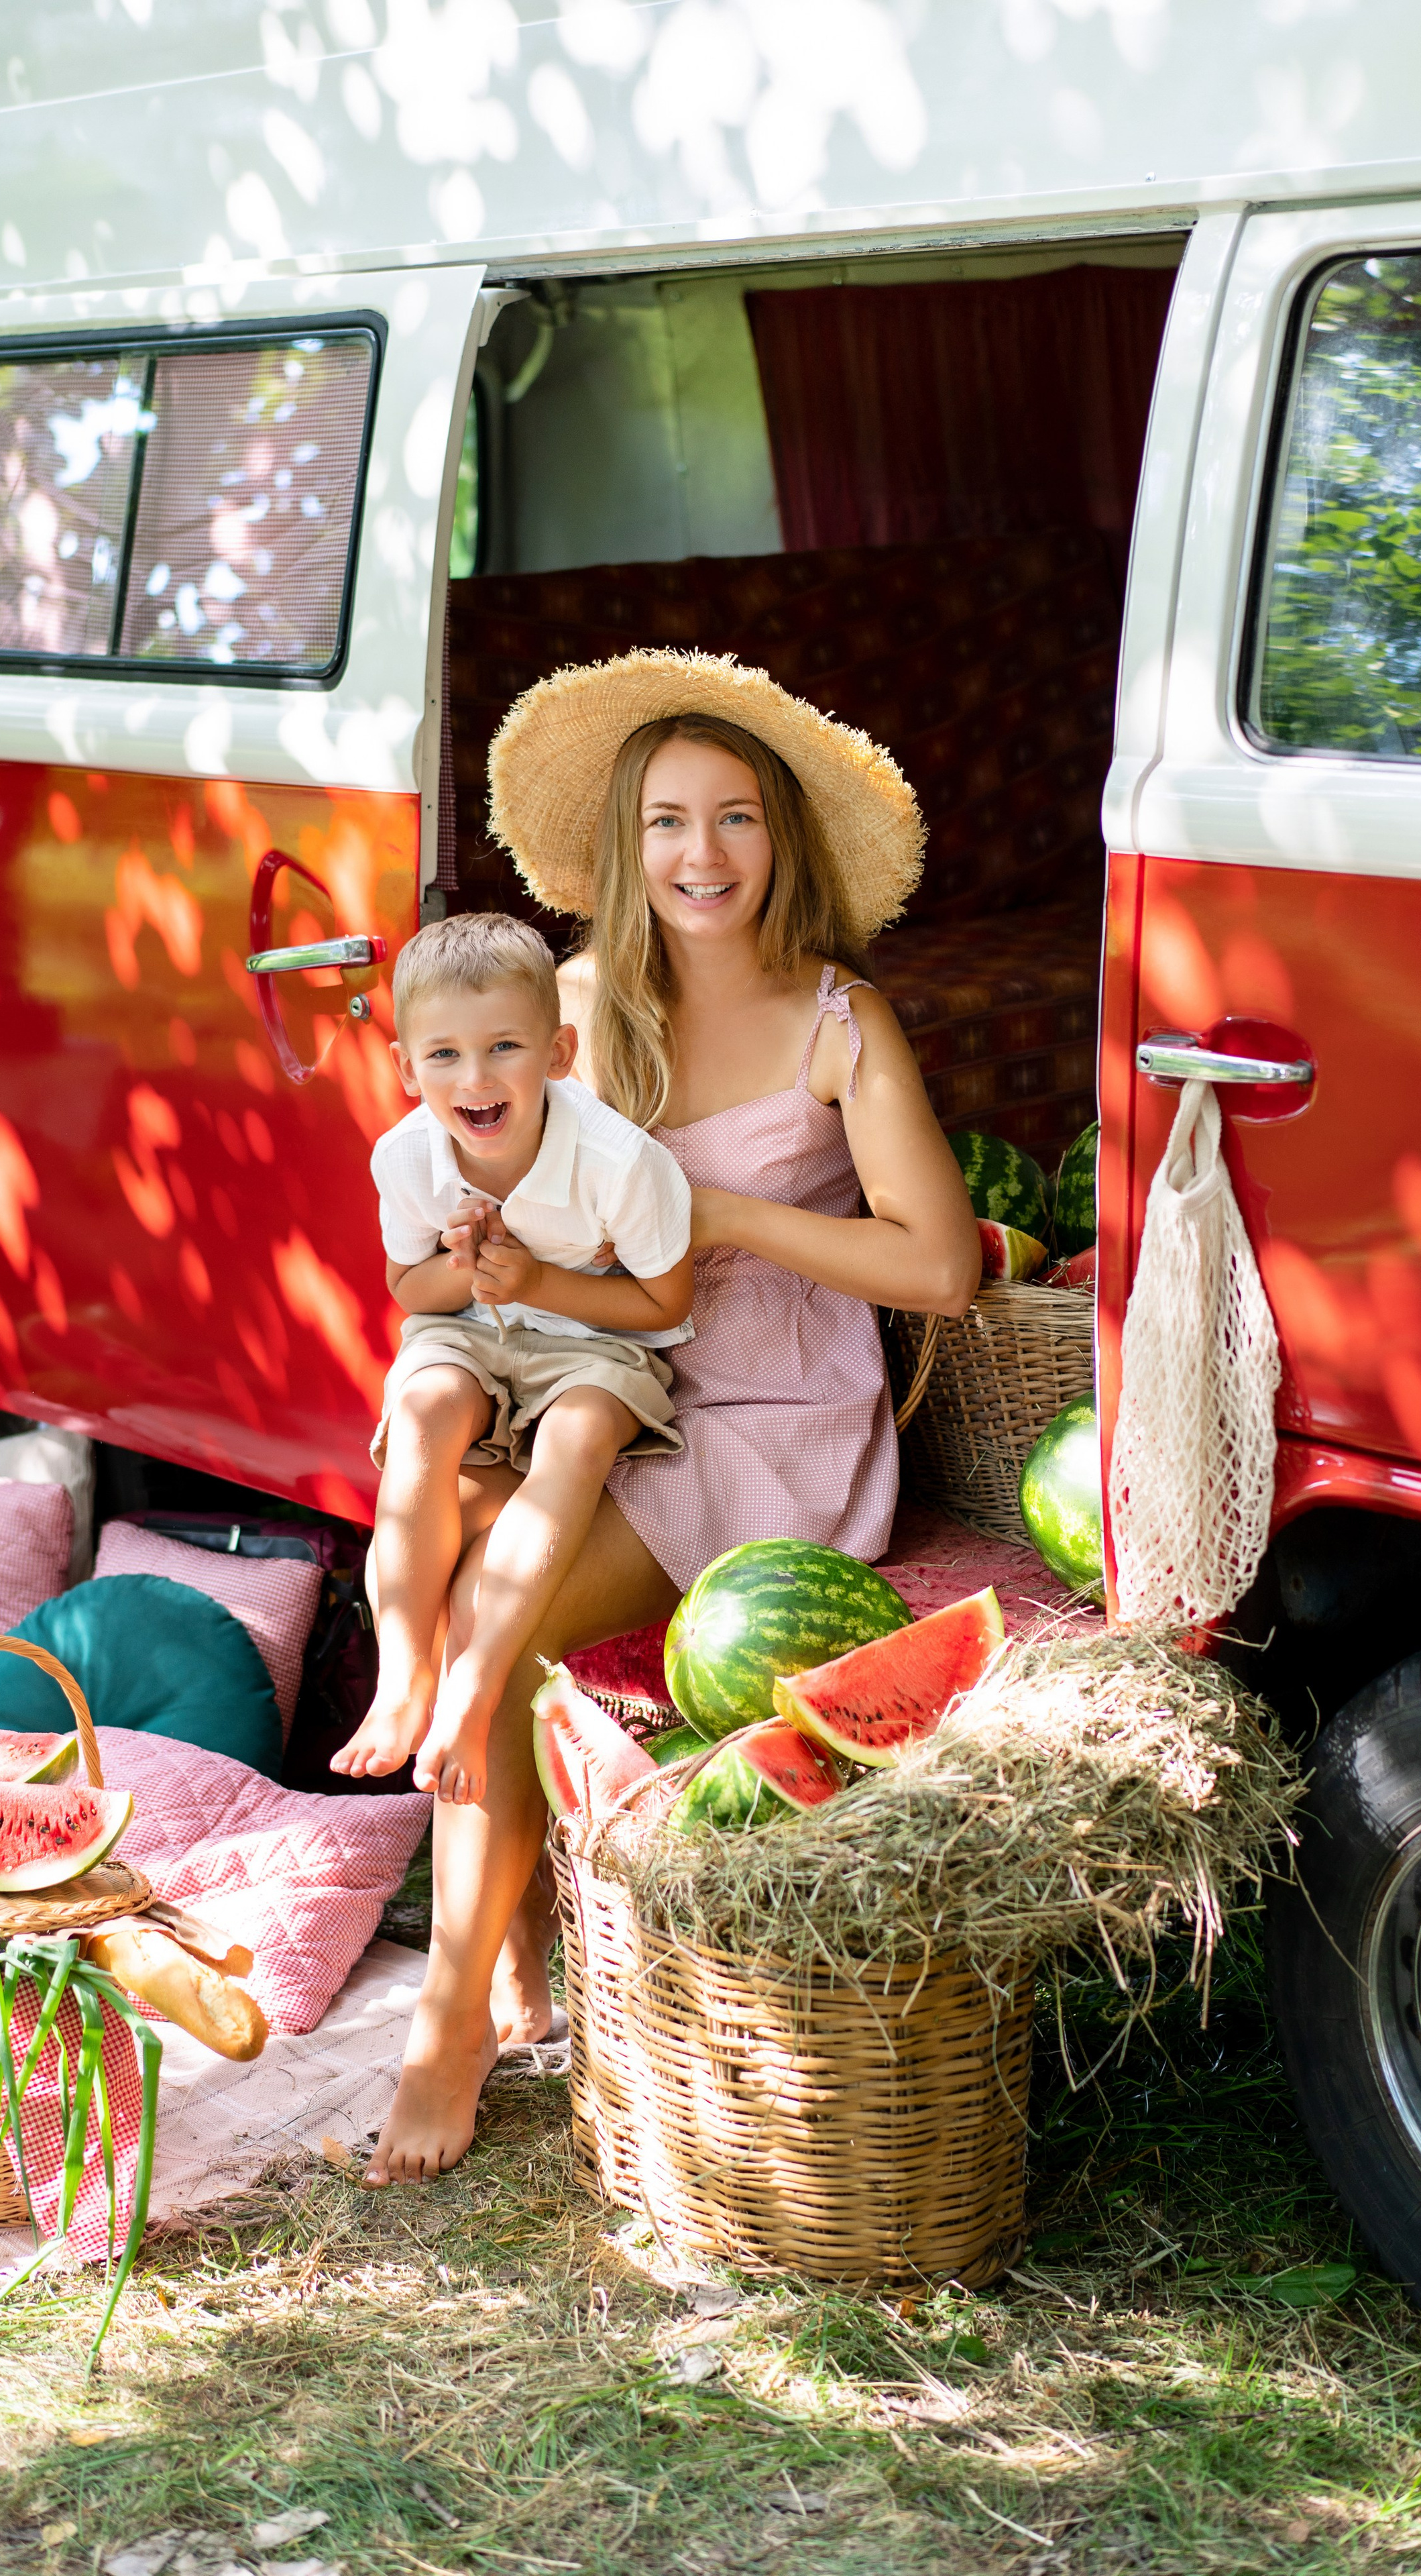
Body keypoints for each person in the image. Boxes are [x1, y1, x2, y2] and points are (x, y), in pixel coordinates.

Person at [365, 650, 982, 2186]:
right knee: (458, 1532)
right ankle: (512, 1940)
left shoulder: (837, 1019)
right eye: (664, 822)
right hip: (592, 1364)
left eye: (734, 818)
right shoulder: (569, 1007)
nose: (700, 855)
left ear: (781, 839)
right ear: (623, 846)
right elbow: (457, 1172)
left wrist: (727, 1215)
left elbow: (940, 1267)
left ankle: (448, 2022)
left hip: (764, 1402)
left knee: (504, 1609)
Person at [335, 911, 695, 1803]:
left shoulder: (622, 1164)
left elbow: (666, 1304)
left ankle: (478, 1679)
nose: (476, 1078)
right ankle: (401, 1677)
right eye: (445, 1055)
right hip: (470, 1331)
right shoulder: (404, 1157)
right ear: (406, 1068)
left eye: (504, 1047)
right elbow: (409, 1290)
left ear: (559, 1053)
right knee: (424, 1412)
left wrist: (536, 1280)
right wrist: (462, 1269)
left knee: (580, 1433)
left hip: (598, 1342)